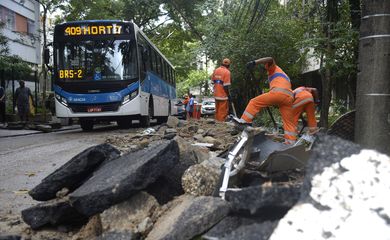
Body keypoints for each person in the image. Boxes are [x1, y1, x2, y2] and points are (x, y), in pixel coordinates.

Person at [242, 57, 296, 144]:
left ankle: (242, 124)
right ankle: (290, 143)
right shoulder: (284, 74)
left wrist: (254, 62)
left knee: (253, 102)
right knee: (289, 123)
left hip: (278, 94)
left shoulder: (273, 67)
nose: (266, 69)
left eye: (266, 66)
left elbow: (270, 58)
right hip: (289, 98)